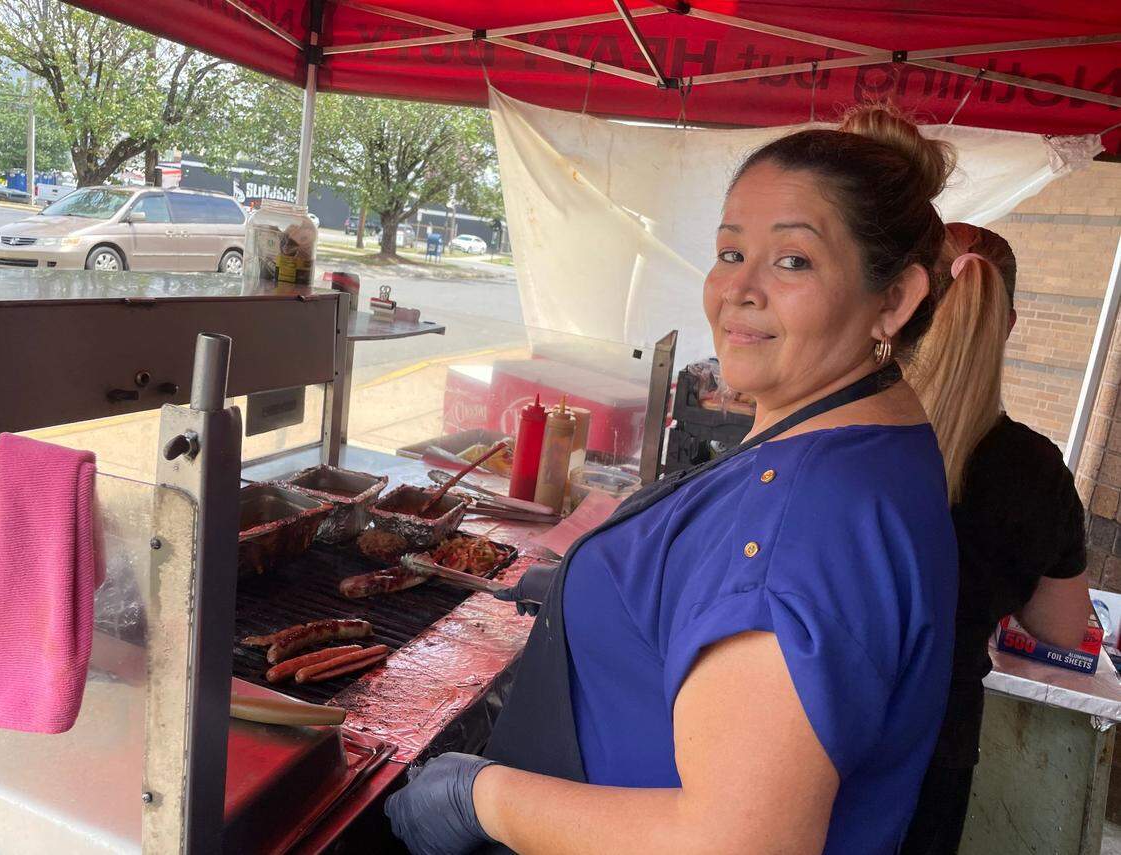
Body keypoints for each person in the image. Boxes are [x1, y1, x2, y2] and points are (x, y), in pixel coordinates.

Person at [387, 105, 961, 855]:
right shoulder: (865, 435)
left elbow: (737, 842)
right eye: (729, 252)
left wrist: (478, 796)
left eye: (794, 260)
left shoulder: (804, 518)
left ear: (895, 298)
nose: (739, 290)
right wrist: (596, 589)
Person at [900, 223, 1091, 855]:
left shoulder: (840, 432)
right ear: (1005, 324)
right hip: (938, 743)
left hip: (817, 725)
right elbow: (1063, 628)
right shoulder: (1036, 470)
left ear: (895, 305)